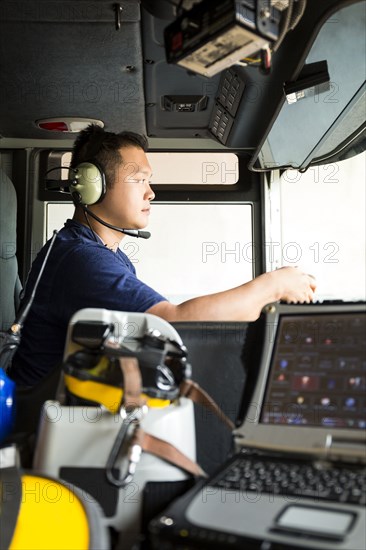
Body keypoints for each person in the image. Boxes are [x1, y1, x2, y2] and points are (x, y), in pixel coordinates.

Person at [10, 125, 316, 386]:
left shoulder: (107, 255)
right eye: (139, 179)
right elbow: (175, 323)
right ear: (93, 185)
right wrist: (273, 285)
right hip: (39, 427)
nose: (151, 192)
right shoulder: (80, 261)